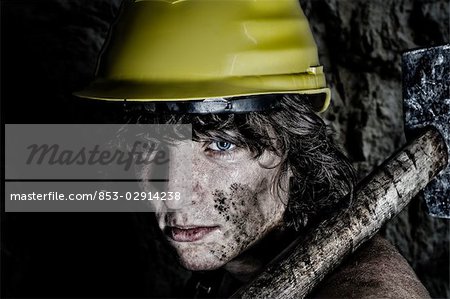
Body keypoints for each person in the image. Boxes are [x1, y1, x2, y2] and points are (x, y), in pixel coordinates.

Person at [75, 0, 430, 297]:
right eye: (152, 148)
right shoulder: (225, 275)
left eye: (221, 144)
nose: (175, 192)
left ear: (295, 147)